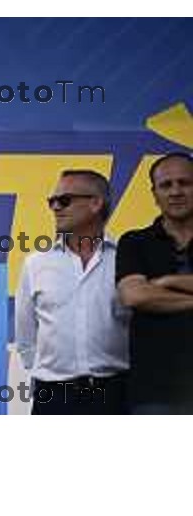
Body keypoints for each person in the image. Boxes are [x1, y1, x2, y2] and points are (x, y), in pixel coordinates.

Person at [15, 169, 129, 415]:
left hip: (116, 392)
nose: (55, 207)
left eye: (64, 200)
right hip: (54, 396)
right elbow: (25, 338)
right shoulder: (36, 263)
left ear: (96, 203)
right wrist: (49, 375)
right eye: (51, 201)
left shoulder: (127, 259)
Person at [117, 152, 193, 414]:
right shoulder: (135, 242)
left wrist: (169, 281)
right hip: (155, 392)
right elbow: (135, 296)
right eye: (166, 185)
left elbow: (148, 293)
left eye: (185, 183)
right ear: (154, 193)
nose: (176, 191)